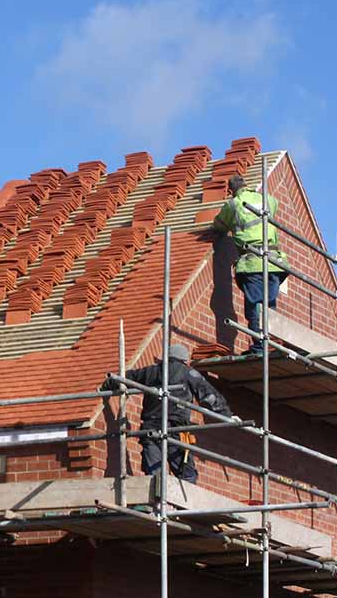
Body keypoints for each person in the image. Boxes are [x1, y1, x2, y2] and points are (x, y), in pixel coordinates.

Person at [101, 344, 232, 483]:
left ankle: (155, 502)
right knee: (186, 472)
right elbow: (209, 395)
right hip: (175, 427)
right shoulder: (188, 373)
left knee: (154, 473)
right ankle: (183, 503)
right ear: (184, 360)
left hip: (150, 427)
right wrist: (226, 415)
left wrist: (108, 384)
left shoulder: (151, 371)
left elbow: (127, 378)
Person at [213, 175, 288, 355]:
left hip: (253, 262)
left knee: (256, 304)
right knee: (269, 304)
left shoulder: (234, 204)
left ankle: (260, 346)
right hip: (274, 262)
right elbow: (274, 206)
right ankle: (268, 344)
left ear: (231, 191)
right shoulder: (267, 200)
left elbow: (219, 226)